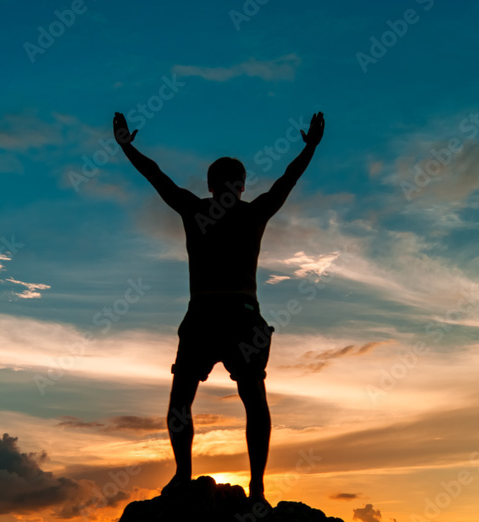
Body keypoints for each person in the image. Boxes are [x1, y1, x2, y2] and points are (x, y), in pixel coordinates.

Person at [113, 110, 324, 501]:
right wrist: (310, 146)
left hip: (206, 317)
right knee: (253, 398)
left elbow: (155, 175)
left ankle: (184, 475)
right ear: (242, 185)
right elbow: (288, 179)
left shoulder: (196, 209)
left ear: (211, 185)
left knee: (182, 399)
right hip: (241, 316)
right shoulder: (254, 211)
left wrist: (128, 146)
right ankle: (256, 486)